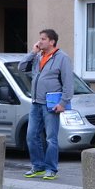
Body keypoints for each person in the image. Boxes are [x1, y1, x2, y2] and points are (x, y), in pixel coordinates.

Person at [18, 28, 73, 180]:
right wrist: (32, 52)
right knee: (31, 136)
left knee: (51, 138)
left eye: (43, 39)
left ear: (52, 41)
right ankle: (38, 166)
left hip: (51, 104)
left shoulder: (62, 58)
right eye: (39, 38)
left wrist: (63, 102)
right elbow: (21, 67)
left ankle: (51, 169)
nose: (39, 42)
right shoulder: (37, 56)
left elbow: (68, 83)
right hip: (36, 103)